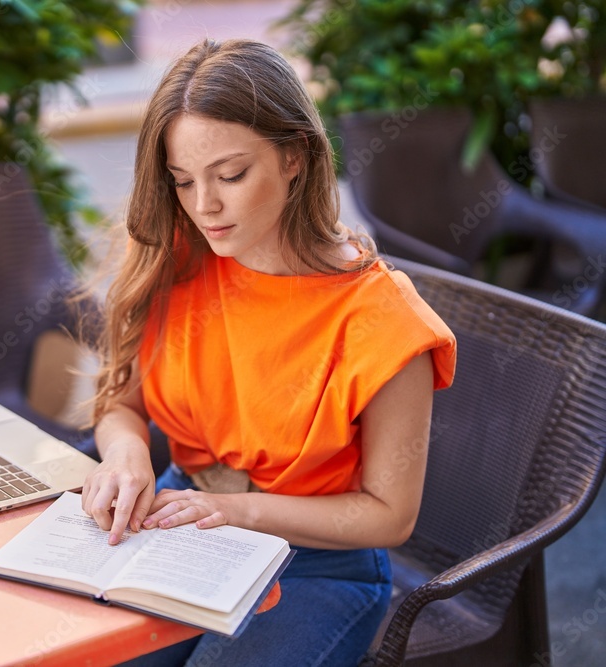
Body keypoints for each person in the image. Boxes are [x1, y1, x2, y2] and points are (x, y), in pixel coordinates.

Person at [80, 38, 457, 666]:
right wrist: (124, 457)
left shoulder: (381, 317)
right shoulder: (179, 255)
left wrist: (234, 510)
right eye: (182, 182)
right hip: (180, 518)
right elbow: (121, 402)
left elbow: (389, 517)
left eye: (230, 175)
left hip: (312, 563)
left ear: (295, 157)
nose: (205, 206)